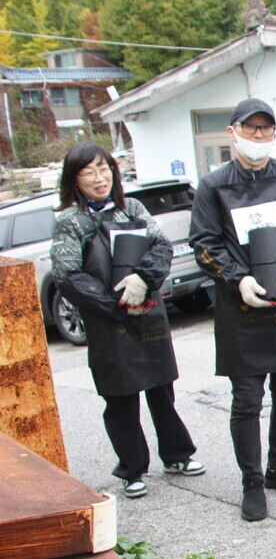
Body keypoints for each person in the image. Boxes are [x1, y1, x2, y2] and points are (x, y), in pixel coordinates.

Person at [189, 97, 276, 522]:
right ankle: (251, 480)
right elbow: (204, 243)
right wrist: (237, 278)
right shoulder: (213, 186)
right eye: (250, 129)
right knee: (247, 398)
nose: (258, 137)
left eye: (266, 129)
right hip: (242, 306)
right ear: (232, 133)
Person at [51, 143, 204, 499]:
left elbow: (161, 246)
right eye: (89, 172)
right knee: (120, 398)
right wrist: (115, 303)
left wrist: (143, 281)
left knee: (161, 389)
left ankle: (177, 455)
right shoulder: (69, 221)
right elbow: (68, 275)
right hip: (109, 321)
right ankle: (132, 469)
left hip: (147, 311)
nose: (99, 178)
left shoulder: (131, 207)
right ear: (75, 179)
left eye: (104, 169)